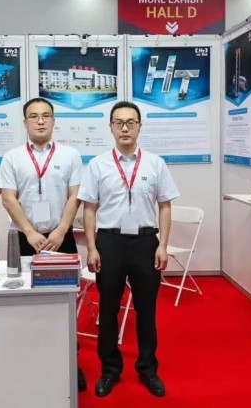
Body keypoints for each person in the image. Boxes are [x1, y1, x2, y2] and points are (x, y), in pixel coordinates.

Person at [78, 101, 179, 398]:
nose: (125, 128)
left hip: (145, 243)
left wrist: (163, 245)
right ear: (110, 127)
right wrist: (92, 248)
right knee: (108, 309)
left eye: (131, 122)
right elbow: (89, 209)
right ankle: (110, 369)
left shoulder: (155, 164)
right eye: (119, 122)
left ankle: (148, 369)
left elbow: (165, 206)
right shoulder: (98, 165)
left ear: (139, 127)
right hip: (109, 243)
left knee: (146, 310)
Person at [0, 97, 87, 392]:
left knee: (66, 302)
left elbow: (75, 196)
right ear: (25, 122)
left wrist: (61, 230)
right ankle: (31, 361)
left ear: (53, 121)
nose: (40, 121)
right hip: (24, 240)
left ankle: (71, 362)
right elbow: (8, 198)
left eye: (46, 115)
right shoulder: (12, 157)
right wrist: (29, 232)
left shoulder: (71, 155)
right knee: (25, 301)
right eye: (34, 116)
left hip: (61, 239)